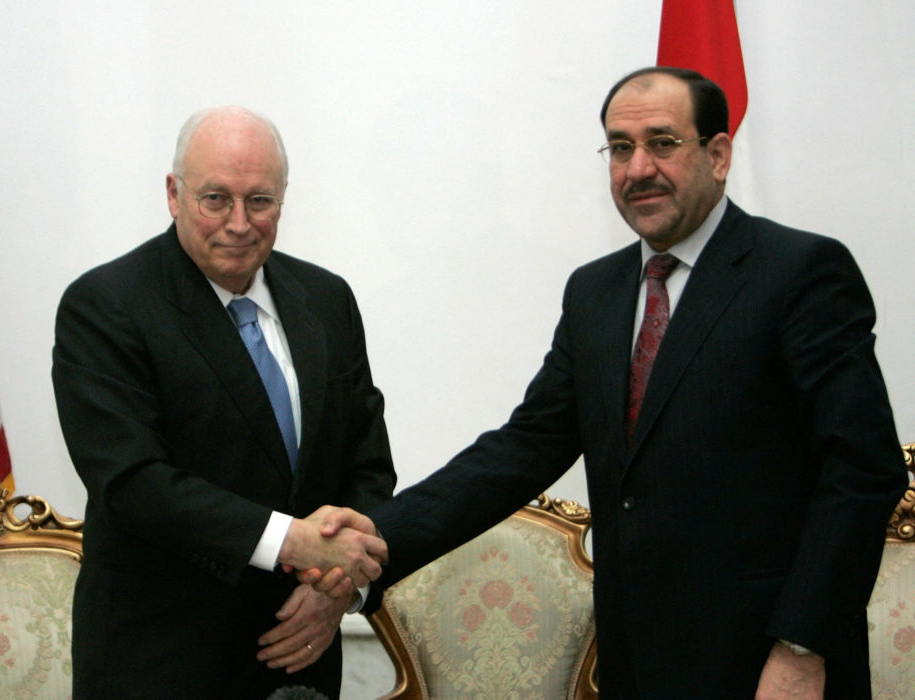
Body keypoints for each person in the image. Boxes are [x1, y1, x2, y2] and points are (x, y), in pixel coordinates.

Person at [309, 67, 908, 699]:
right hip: (636, 664)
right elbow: (523, 448)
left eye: (662, 143)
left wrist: (801, 644)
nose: (637, 168)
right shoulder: (596, 292)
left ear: (720, 154)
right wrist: (376, 539)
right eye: (620, 148)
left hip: (771, 668)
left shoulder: (800, 273)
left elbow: (862, 471)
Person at [52, 105, 395, 699]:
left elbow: (366, 465)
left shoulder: (326, 299)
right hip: (161, 662)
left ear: (282, 200)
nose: (239, 222)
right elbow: (133, 482)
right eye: (216, 198)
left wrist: (337, 584)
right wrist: (294, 541)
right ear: (173, 194)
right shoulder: (106, 306)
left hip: (303, 652)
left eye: (259, 201)